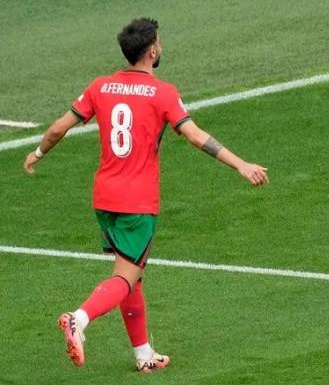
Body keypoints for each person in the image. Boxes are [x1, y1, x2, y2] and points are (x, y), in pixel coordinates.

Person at [23, 18, 269, 372]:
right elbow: (195, 136)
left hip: (103, 198)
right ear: (152, 50)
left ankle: (144, 355)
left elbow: (59, 127)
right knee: (125, 278)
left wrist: (38, 153)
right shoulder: (162, 93)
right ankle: (79, 318)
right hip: (136, 202)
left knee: (132, 274)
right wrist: (241, 164)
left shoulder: (100, 86)